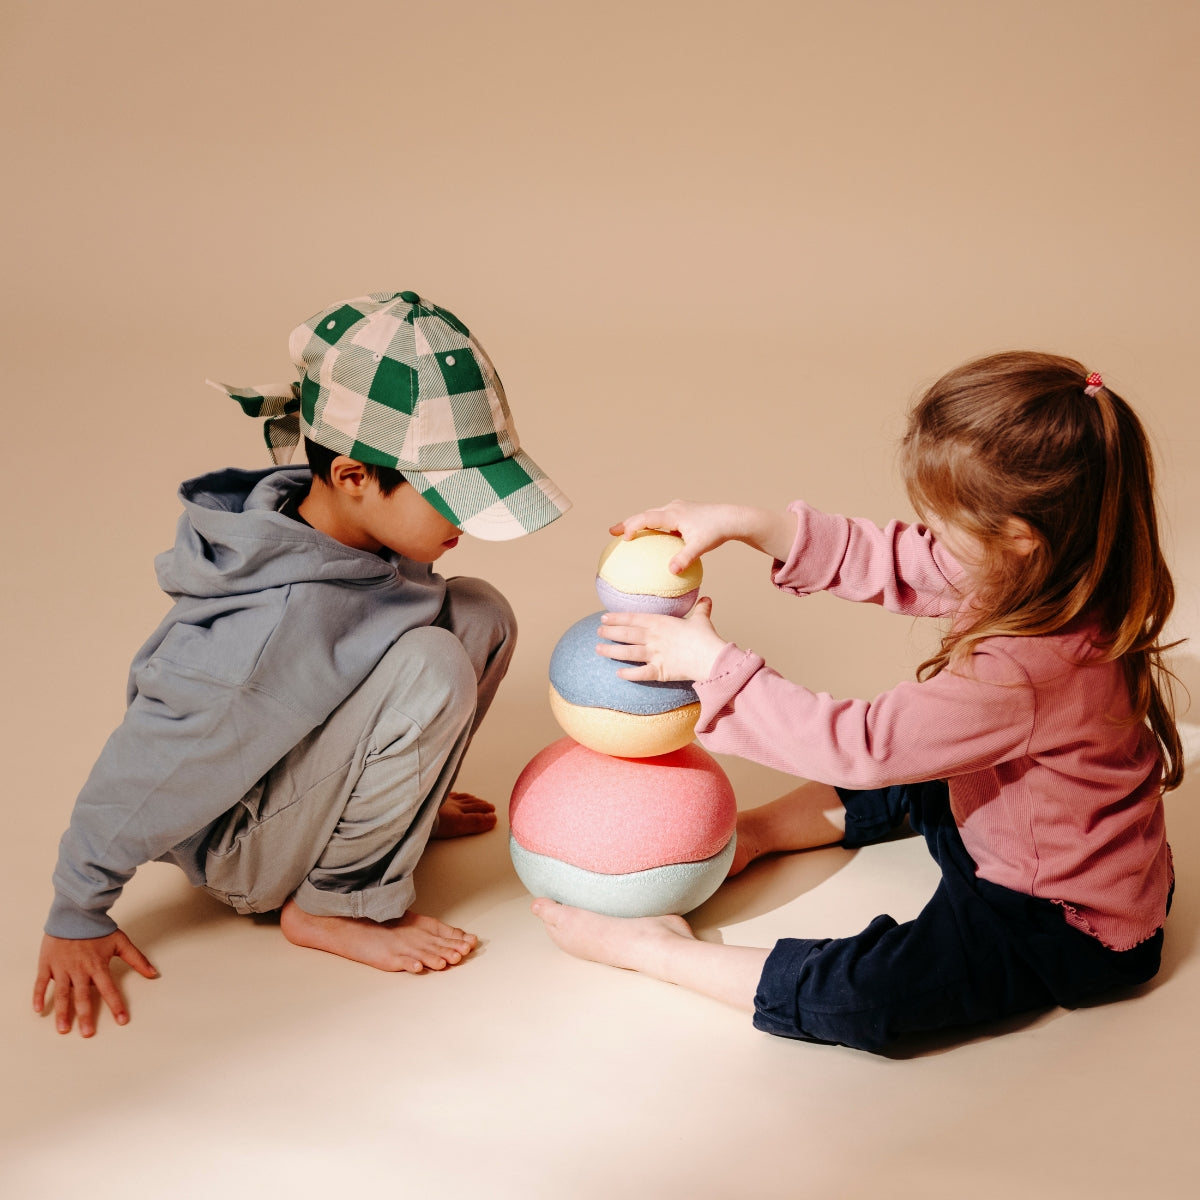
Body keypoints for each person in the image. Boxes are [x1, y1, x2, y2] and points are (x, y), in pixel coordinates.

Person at [532, 350, 1180, 1054]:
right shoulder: (1060, 565)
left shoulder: (1030, 667)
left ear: (1017, 539)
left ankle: (658, 951)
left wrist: (711, 667)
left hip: (1060, 920)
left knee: (870, 995)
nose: (927, 539)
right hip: (1006, 825)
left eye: (941, 524)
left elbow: (864, 746)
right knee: (924, 772)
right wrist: (751, 523)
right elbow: (898, 559)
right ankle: (759, 835)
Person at [35, 290, 570, 1037]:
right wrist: (76, 909)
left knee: (476, 609)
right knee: (432, 663)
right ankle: (333, 904)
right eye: (451, 497)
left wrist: (406, 783)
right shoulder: (267, 626)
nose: (467, 520)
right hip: (245, 854)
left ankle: (386, 818)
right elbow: (148, 761)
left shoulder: (364, 541)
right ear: (353, 476)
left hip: (292, 788)